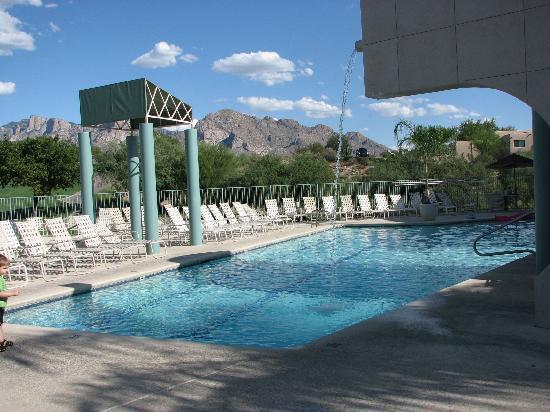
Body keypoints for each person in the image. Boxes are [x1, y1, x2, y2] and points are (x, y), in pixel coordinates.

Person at [0, 254, 20, 352]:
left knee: (0, 324)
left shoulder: (1, 278)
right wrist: (12, 293)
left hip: (1, 306)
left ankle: (2, 341)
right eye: (4, 268)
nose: (6, 270)